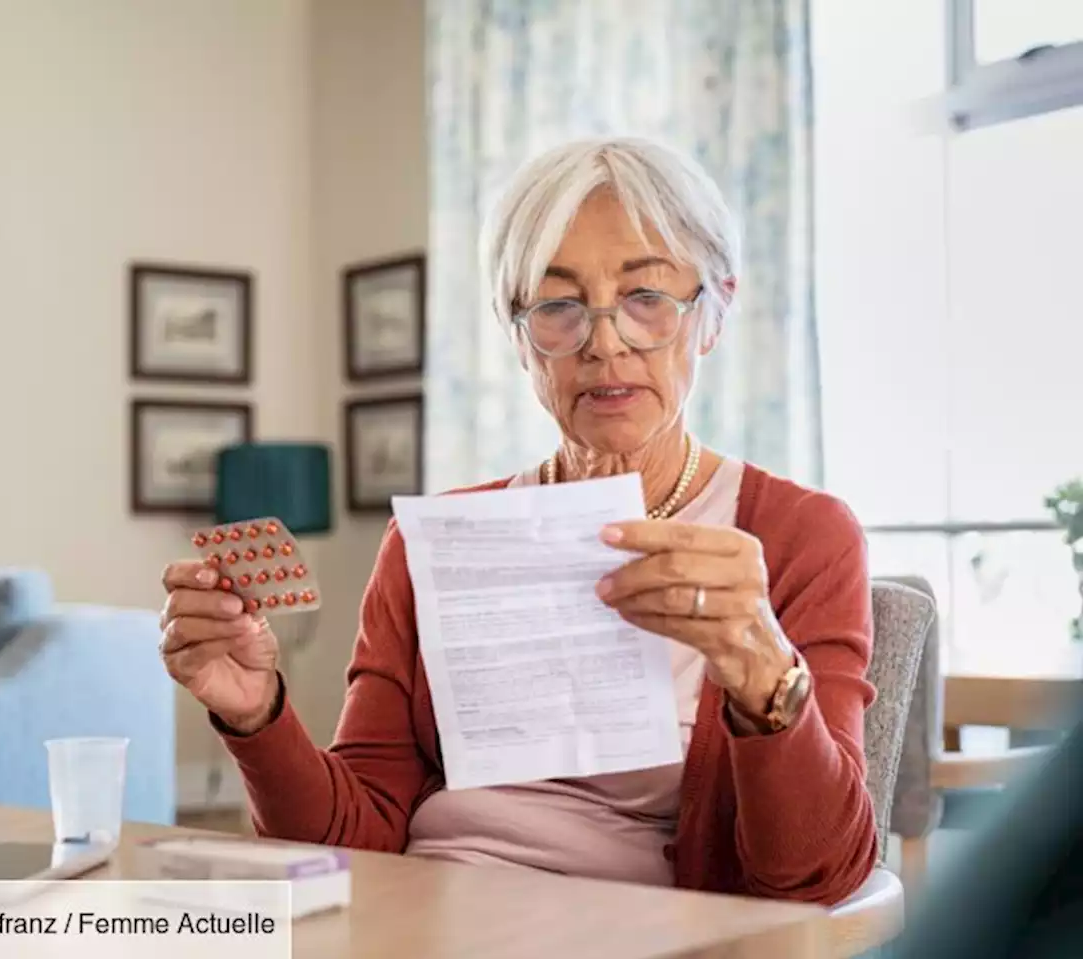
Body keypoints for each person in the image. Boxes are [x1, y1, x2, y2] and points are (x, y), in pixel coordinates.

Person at [159, 136, 878, 905]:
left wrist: (766, 672)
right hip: (417, 917)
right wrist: (257, 714)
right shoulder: (430, 543)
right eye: (558, 307)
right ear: (519, 336)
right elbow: (352, 843)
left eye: (646, 299)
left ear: (712, 315)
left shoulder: (801, 537)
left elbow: (819, 877)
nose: (605, 342)